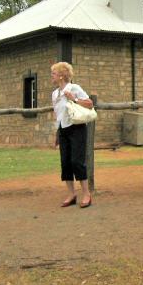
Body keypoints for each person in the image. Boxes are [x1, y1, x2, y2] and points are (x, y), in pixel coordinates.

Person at [51, 62, 94, 208]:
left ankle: (86, 194)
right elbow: (58, 114)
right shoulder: (55, 94)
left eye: (54, 73)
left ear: (62, 76)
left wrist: (74, 99)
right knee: (65, 162)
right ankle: (71, 194)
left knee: (77, 161)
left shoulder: (74, 88)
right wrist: (57, 133)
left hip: (77, 128)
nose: (52, 76)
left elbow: (90, 104)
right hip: (63, 130)